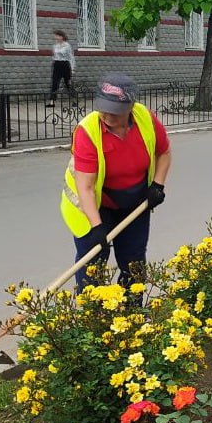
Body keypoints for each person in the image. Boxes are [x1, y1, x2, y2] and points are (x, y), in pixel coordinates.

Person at [60, 73, 172, 291]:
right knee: (93, 264)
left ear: (130, 105)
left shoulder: (145, 118)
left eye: (115, 110)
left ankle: (132, 314)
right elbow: (86, 187)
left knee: (134, 262)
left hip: (135, 202)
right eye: (104, 108)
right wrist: (97, 226)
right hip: (93, 205)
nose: (108, 115)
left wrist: (158, 185)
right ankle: (93, 317)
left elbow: (164, 152)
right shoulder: (88, 131)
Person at [47, 30, 76, 108]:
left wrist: (72, 69)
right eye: (55, 35)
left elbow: (71, 58)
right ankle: (52, 102)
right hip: (57, 65)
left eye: (57, 35)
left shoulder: (67, 46)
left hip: (65, 65)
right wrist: (53, 62)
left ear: (61, 36)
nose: (55, 37)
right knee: (54, 83)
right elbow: (54, 55)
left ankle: (74, 100)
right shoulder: (55, 46)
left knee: (68, 84)